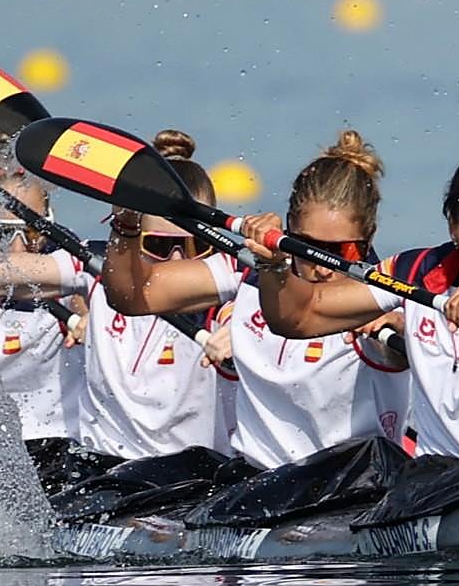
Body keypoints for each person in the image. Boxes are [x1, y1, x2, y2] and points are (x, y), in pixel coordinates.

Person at [240, 119, 459, 460]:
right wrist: (273, 265)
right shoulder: (415, 272)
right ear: (453, 228)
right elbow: (301, 316)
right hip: (434, 479)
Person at [101, 129, 410, 473]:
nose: (323, 266)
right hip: (258, 482)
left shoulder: (385, 298)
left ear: (369, 238)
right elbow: (132, 294)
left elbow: (411, 346)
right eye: (308, 247)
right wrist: (126, 222)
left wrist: (403, 331)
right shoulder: (248, 273)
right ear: (289, 230)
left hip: (354, 485)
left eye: (343, 251)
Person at [0, 130, 233, 480]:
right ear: (132, 237)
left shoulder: (230, 285)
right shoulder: (99, 266)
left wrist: (239, 332)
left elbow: (275, 308)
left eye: (195, 247)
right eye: (159, 246)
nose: (178, 261)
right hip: (101, 472)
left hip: (192, 478)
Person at [0, 150, 87, 492]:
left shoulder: (70, 268)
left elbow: (94, 293)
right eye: (0, 232)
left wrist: (91, 317)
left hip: (58, 455)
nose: (18, 249)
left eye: (32, 230)